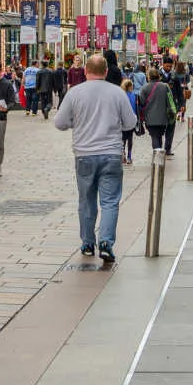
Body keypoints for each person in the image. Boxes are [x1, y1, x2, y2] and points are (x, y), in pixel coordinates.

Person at [54, 53, 136, 263]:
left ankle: (88, 242)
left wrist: (78, 122)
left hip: (84, 154)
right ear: (106, 72)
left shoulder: (75, 93)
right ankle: (106, 242)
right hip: (110, 154)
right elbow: (130, 123)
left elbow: (60, 123)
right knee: (110, 201)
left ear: (85, 71)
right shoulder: (117, 93)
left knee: (86, 199)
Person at [137, 73, 177, 154]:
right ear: (159, 76)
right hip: (163, 118)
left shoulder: (144, 88)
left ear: (149, 77)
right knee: (159, 136)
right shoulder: (165, 86)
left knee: (154, 136)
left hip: (149, 118)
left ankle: (158, 155)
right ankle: (159, 154)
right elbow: (170, 100)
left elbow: (141, 102)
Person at [120, 77, 138, 165]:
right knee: (130, 138)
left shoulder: (121, 95)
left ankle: (122, 154)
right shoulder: (134, 95)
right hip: (132, 120)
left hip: (122, 120)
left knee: (122, 138)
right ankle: (129, 157)